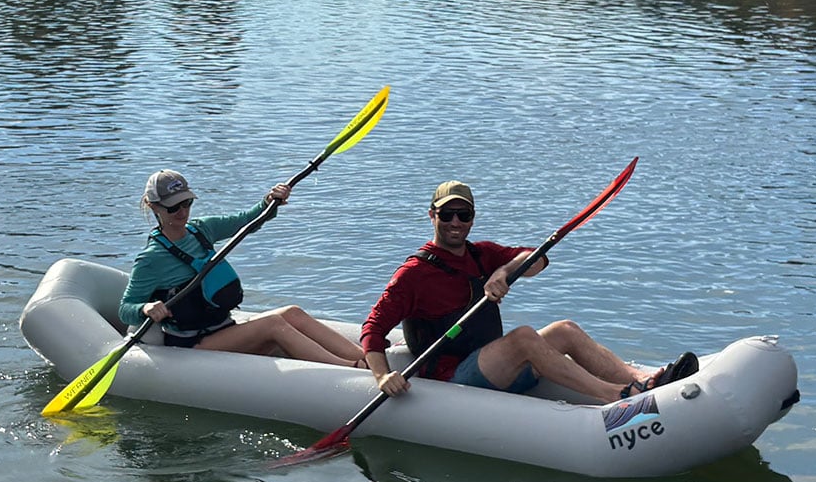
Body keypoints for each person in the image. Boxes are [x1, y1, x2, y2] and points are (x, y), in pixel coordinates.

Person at [359, 180, 699, 403]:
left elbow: (537, 260)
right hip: (453, 379)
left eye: (464, 214)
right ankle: (617, 395)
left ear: (472, 218)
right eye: (447, 214)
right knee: (523, 336)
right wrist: (382, 375)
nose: (455, 222)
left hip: (493, 364)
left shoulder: (482, 253)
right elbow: (373, 329)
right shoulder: (413, 274)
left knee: (564, 329)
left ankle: (647, 379)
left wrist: (503, 271)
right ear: (432, 216)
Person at [119, 169, 365, 366]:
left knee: (292, 312)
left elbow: (248, 220)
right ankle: (352, 370)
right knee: (273, 325)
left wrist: (270, 202)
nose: (182, 211)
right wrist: (146, 308)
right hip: (194, 343)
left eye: (186, 202)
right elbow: (125, 309)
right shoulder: (151, 259)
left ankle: (367, 357)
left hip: (223, 328)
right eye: (173, 207)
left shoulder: (202, 229)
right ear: (154, 207)